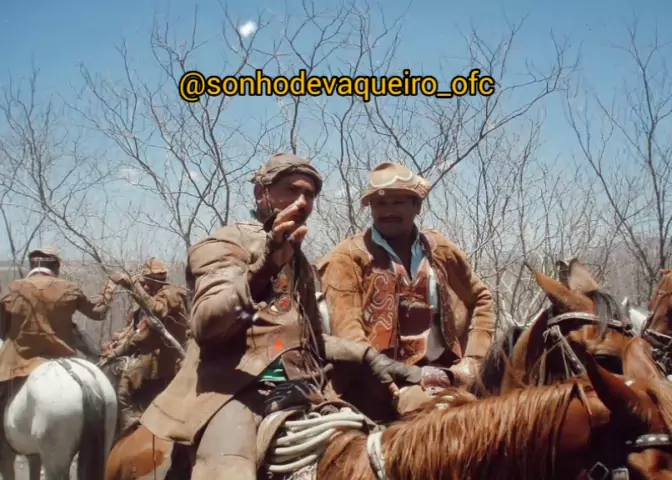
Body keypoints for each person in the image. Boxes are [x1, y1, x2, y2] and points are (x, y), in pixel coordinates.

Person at [139, 153, 427, 479]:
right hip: (233, 391)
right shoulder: (225, 243)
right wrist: (264, 268)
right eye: (291, 190)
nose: (302, 201)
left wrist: (368, 356)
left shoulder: (296, 257)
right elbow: (206, 324)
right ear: (261, 193)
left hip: (304, 388)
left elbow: (307, 340)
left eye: (309, 195)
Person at [316, 162, 496, 391]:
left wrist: (475, 357)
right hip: (378, 381)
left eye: (398, 202)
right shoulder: (346, 257)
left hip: (446, 373)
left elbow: (481, 298)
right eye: (380, 204)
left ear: (417, 206)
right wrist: (382, 372)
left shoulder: (440, 250)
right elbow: (347, 329)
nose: (388, 211)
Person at [0, 246, 116, 442]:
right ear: (57, 267)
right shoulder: (68, 288)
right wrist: (110, 287)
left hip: (20, 363)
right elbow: (99, 313)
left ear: (32, 266)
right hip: (62, 359)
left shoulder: (14, 289)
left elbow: (2, 328)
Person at [102, 257, 190, 434]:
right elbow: (135, 328)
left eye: (146, 280)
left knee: (124, 388)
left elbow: (153, 317)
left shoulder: (171, 295)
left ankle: (131, 423)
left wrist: (134, 286)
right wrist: (118, 340)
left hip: (165, 357)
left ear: (155, 279)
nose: (144, 284)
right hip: (149, 352)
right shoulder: (150, 298)